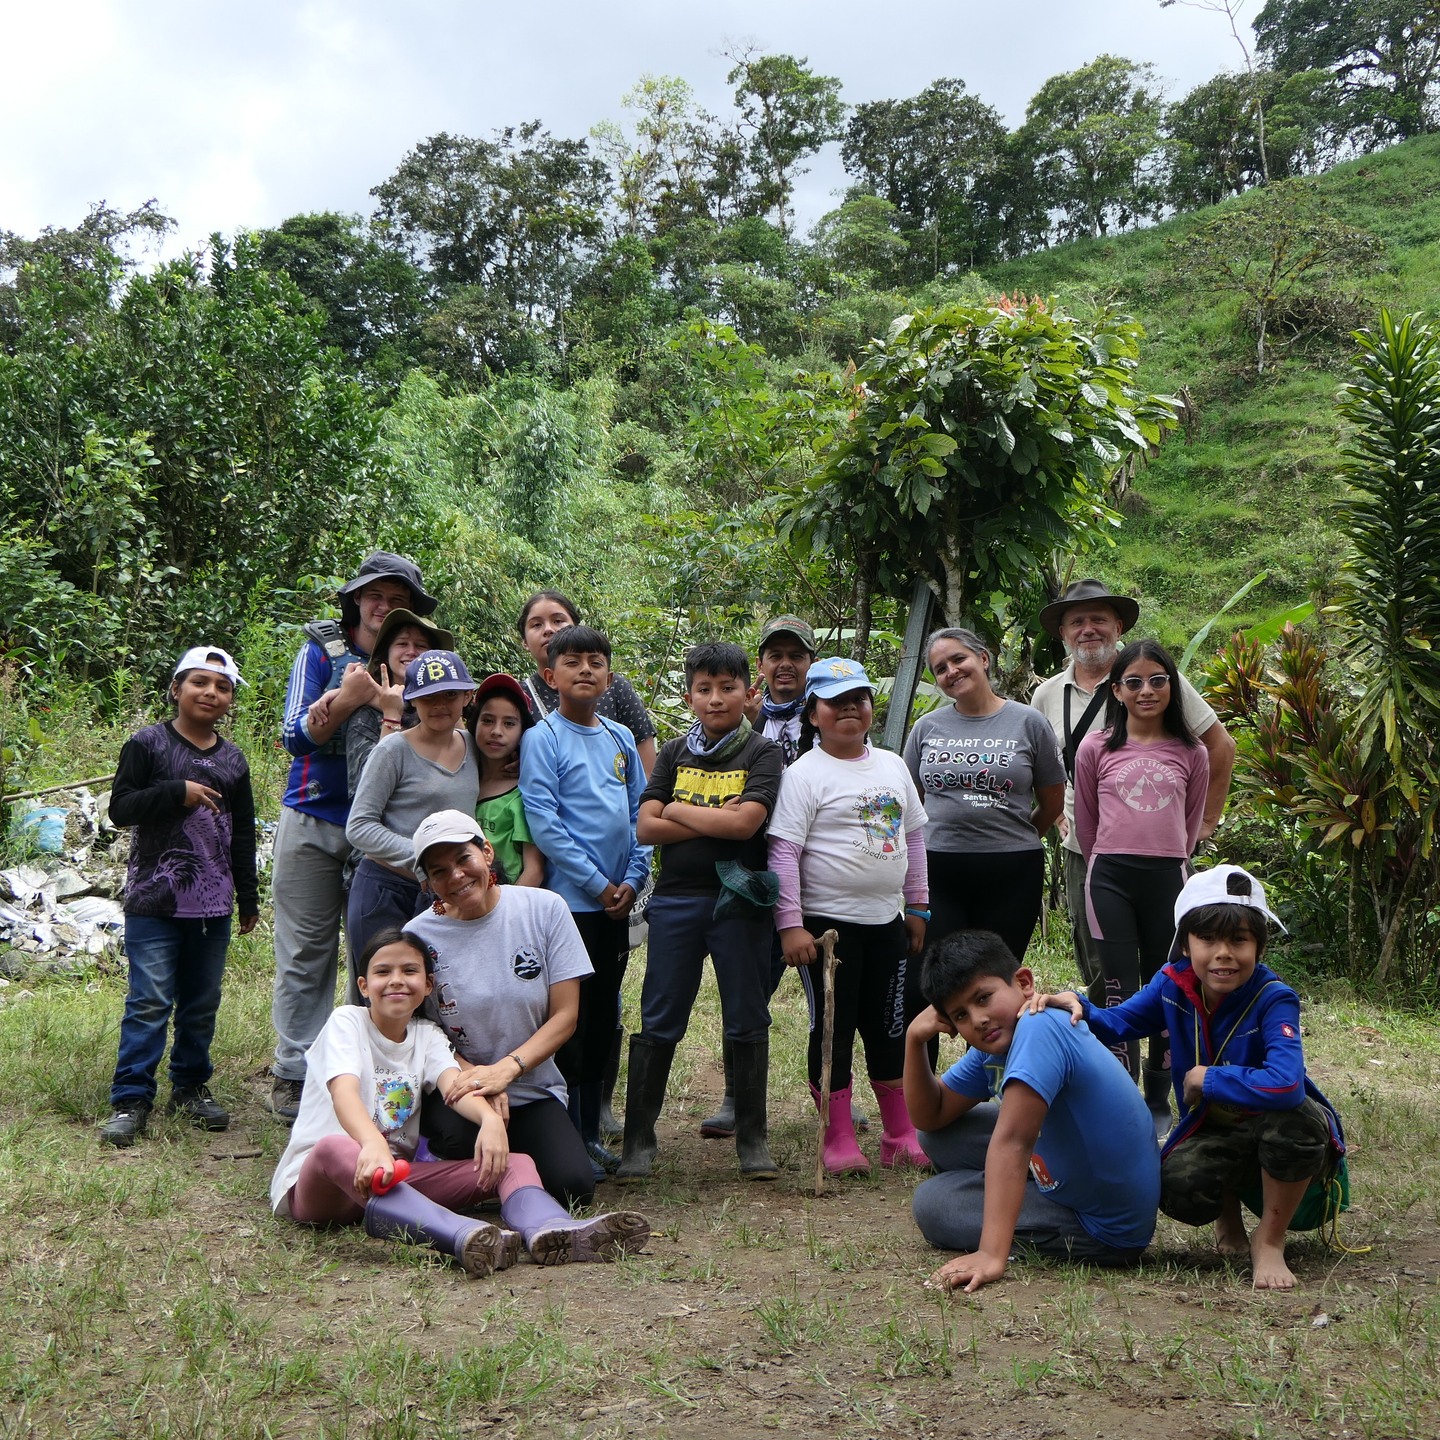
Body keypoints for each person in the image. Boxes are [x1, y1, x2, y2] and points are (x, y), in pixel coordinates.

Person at [1029, 866, 1346, 1290]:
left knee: (1300, 1121)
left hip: (1277, 1122)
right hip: (1214, 1124)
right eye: (1208, 939)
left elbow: (1287, 1084)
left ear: (1259, 946)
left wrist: (1209, 1079)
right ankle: (1228, 1221)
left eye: (1239, 940)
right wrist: (1080, 1005)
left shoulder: (1275, 999)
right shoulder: (1171, 984)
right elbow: (1119, 1023)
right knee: (1176, 1187)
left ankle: (1269, 1240)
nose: (1223, 953)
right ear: (1185, 943)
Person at [270, 929, 650, 1273]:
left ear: (428, 984)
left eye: (409, 971)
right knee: (334, 1147)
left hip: (392, 1185)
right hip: (323, 1186)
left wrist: (489, 1121)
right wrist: (370, 1143)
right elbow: (343, 1091)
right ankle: (462, 1235)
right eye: (383, 972)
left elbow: (455, 1084)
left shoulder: (426, 1034)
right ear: (364, 985)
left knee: (513, 1161)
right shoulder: (346, 1022)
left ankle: (551, 1228)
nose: (397, 980)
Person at [270, 551, 438, 1123]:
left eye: (397, 599)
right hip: (317, 817)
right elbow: (296, 736)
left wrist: (393, 704)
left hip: (391, 834)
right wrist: (353, 696)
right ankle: (295, 1073)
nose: (384, 606)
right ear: (356, 601)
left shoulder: (423, 662)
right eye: (375, 596)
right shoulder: (322, 651)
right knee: (304, 951)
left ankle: (358, 1073)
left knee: (377, 954)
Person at [904, 931, 1159, 1293]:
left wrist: (991, 1254)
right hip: (1072, 1165)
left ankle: (1019, 1209)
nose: (978, 1019)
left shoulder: (1039, 1028)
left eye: (984, 998)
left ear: (1024, 983)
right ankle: (1027, 1188)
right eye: (961, 1014)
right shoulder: (998, 1040)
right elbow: (932, 1115)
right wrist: (915, 1040)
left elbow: (1014, 1142)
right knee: (938, 1135)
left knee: (935, 1205)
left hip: (1104, 1225)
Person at [618, 641, 784, 1182]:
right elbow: (645, 827)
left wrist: (676, 810)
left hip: (739, 901)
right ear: (690, 696)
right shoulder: (670, 753)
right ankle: (640, 1142)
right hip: (676, 900)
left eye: (728, 687)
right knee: (660, 1014)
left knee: (747, 1013)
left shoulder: (761, 752)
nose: (716, 698)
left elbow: (745, 827)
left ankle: (753, 1142)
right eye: (705, 689)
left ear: (747, 692)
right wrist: (707, 814)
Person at [1030, 579, 1236, 1004]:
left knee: (1164, 958)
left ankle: (1160, 1047)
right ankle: (1112, 1052)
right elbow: (1039, 765)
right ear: (1064, 634)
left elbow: (1218, 745)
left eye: (1099, 620)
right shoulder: (1046, 694)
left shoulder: (1153, 680)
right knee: (1099, 957)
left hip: (1156, 850)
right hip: (1082, 849)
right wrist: (1055, 815)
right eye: (1077, 622)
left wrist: (1205, 823)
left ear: (1118, 626)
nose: (1089, 629)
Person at [767, 657, 931, 1175]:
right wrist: (790, 924)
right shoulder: (802, 775)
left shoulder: (891, 765)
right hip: (827, 930)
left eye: (858, 699)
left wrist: (919, 904)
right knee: (834, 1030)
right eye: (835, 702)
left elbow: (913, 838)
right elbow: (782, 853)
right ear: (813, 713)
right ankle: (836, 1136)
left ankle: (900, 1132)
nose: (849, 710)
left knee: (889, 1028)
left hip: (887, 923)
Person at [100, 646, 260, 1146]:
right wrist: (177, 791)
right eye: (199, 682)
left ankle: (190, 1087)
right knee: (148, 1000)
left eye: (222, 686)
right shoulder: (146, 744)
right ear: (176, 689)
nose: (210, 693)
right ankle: (131, 1098)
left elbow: (243, 832)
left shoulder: (233, 760)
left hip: (211, 905)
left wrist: (248, 897)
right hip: (153, 901)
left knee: (200, 1002)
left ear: (230, 699)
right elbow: (120, 808)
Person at [514, 589, 658, 1141]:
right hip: (572, 905)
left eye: (596, 663)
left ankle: (593, 1130)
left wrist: (634, 876)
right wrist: (599, 885)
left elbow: (640, 811)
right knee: (568, 1016)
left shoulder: (621, 736)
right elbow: (545, 822)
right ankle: (569, 1128)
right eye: (571, 662)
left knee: (603, 1012)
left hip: (618, 903)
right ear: (551, 677)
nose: (584, 670)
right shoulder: (542, 738)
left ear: (608, 677)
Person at [403, 811, 599, 1207]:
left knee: (574, 1186)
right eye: (439, 871)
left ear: (487, 853)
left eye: (463, 859)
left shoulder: (545, 909)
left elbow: (566, 1016)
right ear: (427, 882)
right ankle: (454, 1160)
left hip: (530, 1084)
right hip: (457, 1085)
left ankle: (497, 1172)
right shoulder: (418, 936)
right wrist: (476, 1078)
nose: (456, 876)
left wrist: (505, 1070)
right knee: (457, 1137)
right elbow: (422, 1029)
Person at [1074, 639, 1209, 1128]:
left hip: (1169, 880)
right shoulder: (1095, 748)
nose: (1146, 690)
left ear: (1172, 686)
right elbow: (1087, 823)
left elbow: (1190, 824)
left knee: (1169, 987)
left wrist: (1173, 860)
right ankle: (1119, 1096)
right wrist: (1102, 866)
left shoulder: (1191, 751)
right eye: (1134, 682)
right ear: (1118, 690)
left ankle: (1159, 1098)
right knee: (1119, 991)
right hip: (1109, 877)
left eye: (1157, 680)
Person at [704, 614, 820, 1141]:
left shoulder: (827, 717)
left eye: (796, 655)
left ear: (810, 663)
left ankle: (830, 1091)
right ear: (761, 666)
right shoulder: (735, 724)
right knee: (747, 986)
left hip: (818, 869)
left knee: (825, 983)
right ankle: (737, 1096)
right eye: (775, 655)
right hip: (755, 871)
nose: (785, 664)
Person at [902, 627, 1065, 968]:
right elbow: (909, 804)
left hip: (1012, 873)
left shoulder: (1029, 722)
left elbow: (1052, 803)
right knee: (933, 976)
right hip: (937, 869)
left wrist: (1012, 839)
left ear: (984, 659)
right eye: (941, 668)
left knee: (996, 975)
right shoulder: (926, 727)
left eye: (958, 659)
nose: (952, 671)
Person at [345, 650, 479, 974]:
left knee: (443, 992)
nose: (439, 705)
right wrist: (422, 858)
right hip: (385, 890)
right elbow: (359, 826)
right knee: (387, 997)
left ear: (466, 696)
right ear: (411, 700)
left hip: (447, 890)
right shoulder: (393, 750)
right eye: (428, 696)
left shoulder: (474, 746)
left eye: (449, 694)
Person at [515, 590, 658, 775]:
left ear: (575, 627)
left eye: (558, 621)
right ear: (525, 641)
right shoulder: (517, 694)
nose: (548, 629)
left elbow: (646, 768)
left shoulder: (614, 687)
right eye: (536, 625)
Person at [342, 607, 455, 799]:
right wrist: (391, 716)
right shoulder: (366, 714)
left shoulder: (447, 708)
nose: (411, 652)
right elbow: (363, 790)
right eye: (402, 643)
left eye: (421, 645)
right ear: (386, 654)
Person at [470, 673, 543, 887]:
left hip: (506, 903)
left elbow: (535, 870)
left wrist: (504, 914)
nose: (496, 731)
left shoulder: (524, 794)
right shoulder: (460, 776)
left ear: (523, 732)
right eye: (487, 720)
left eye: (509, 723)